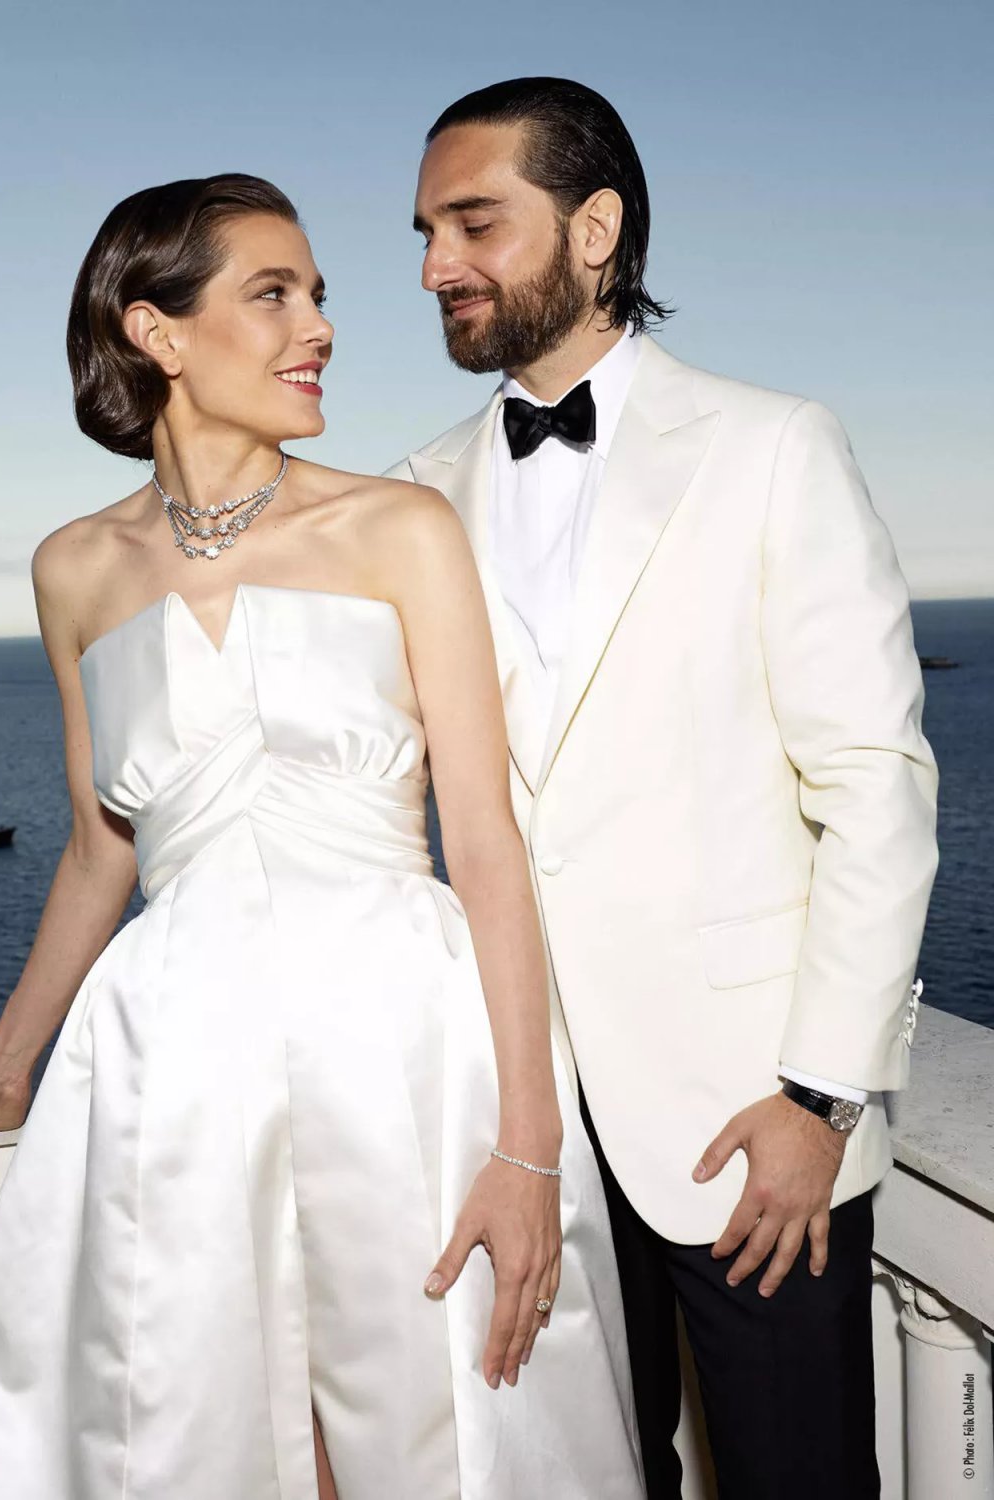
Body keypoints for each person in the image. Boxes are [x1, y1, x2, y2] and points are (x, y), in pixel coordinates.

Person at [0, 175, 644, 1499]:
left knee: (439, 1435)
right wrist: (11, 1060)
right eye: (273, 294)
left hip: (405, 1043)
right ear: (157, 332)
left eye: (320, 296)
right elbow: (95, 848)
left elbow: (484, 841)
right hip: (172, 1056)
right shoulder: (73, 570)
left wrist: (528, 1147)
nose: (321, 328)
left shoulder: (400, 529)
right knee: (195, 1438)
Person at [388, 78, 938, 1500]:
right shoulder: (410, 496)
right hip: (523, 1137)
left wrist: (820, 1100)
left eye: (472, 224)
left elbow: (874, 787)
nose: (435, 266)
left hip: (747, 1129)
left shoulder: (772, 447)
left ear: (596, 229)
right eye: (425, 233)